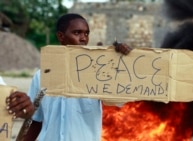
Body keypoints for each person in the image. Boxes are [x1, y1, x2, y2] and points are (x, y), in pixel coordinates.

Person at [7, 13, 132, 141]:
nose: (83, 38)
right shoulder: (42, 75)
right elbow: (36, 120)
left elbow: (120, 100)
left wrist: (122, 60)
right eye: (77, 33)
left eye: (86, 34)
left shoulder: (98, 74)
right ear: (61, 36)